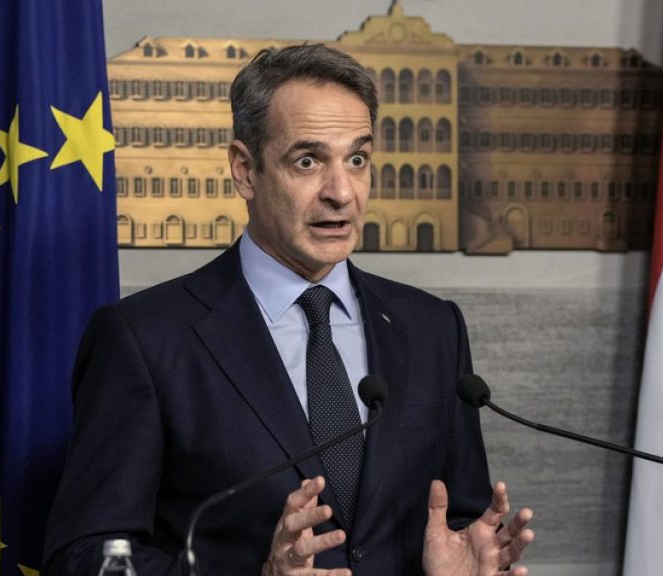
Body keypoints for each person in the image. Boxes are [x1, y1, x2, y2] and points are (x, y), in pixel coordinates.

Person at [43, 44, 534, 575]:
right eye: (308, 161)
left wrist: (466, 564)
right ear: (245, 170)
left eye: (358, 159)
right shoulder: (145, 338)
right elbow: (85, 557)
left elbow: (456, 519)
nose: (342, 192)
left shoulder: (432, 327)